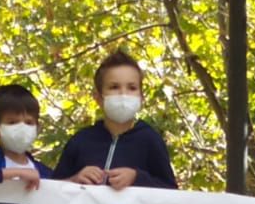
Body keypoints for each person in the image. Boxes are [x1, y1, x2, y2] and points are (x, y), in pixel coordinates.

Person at [54, 50, 178, 190]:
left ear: (141, 98)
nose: (123, 94)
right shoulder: (81, 140)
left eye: (132, 88)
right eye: (114, 87)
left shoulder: (150, 140)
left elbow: (171, 192)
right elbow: (52, 191)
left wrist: (137, 177)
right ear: (98, 97)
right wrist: (75, 180)